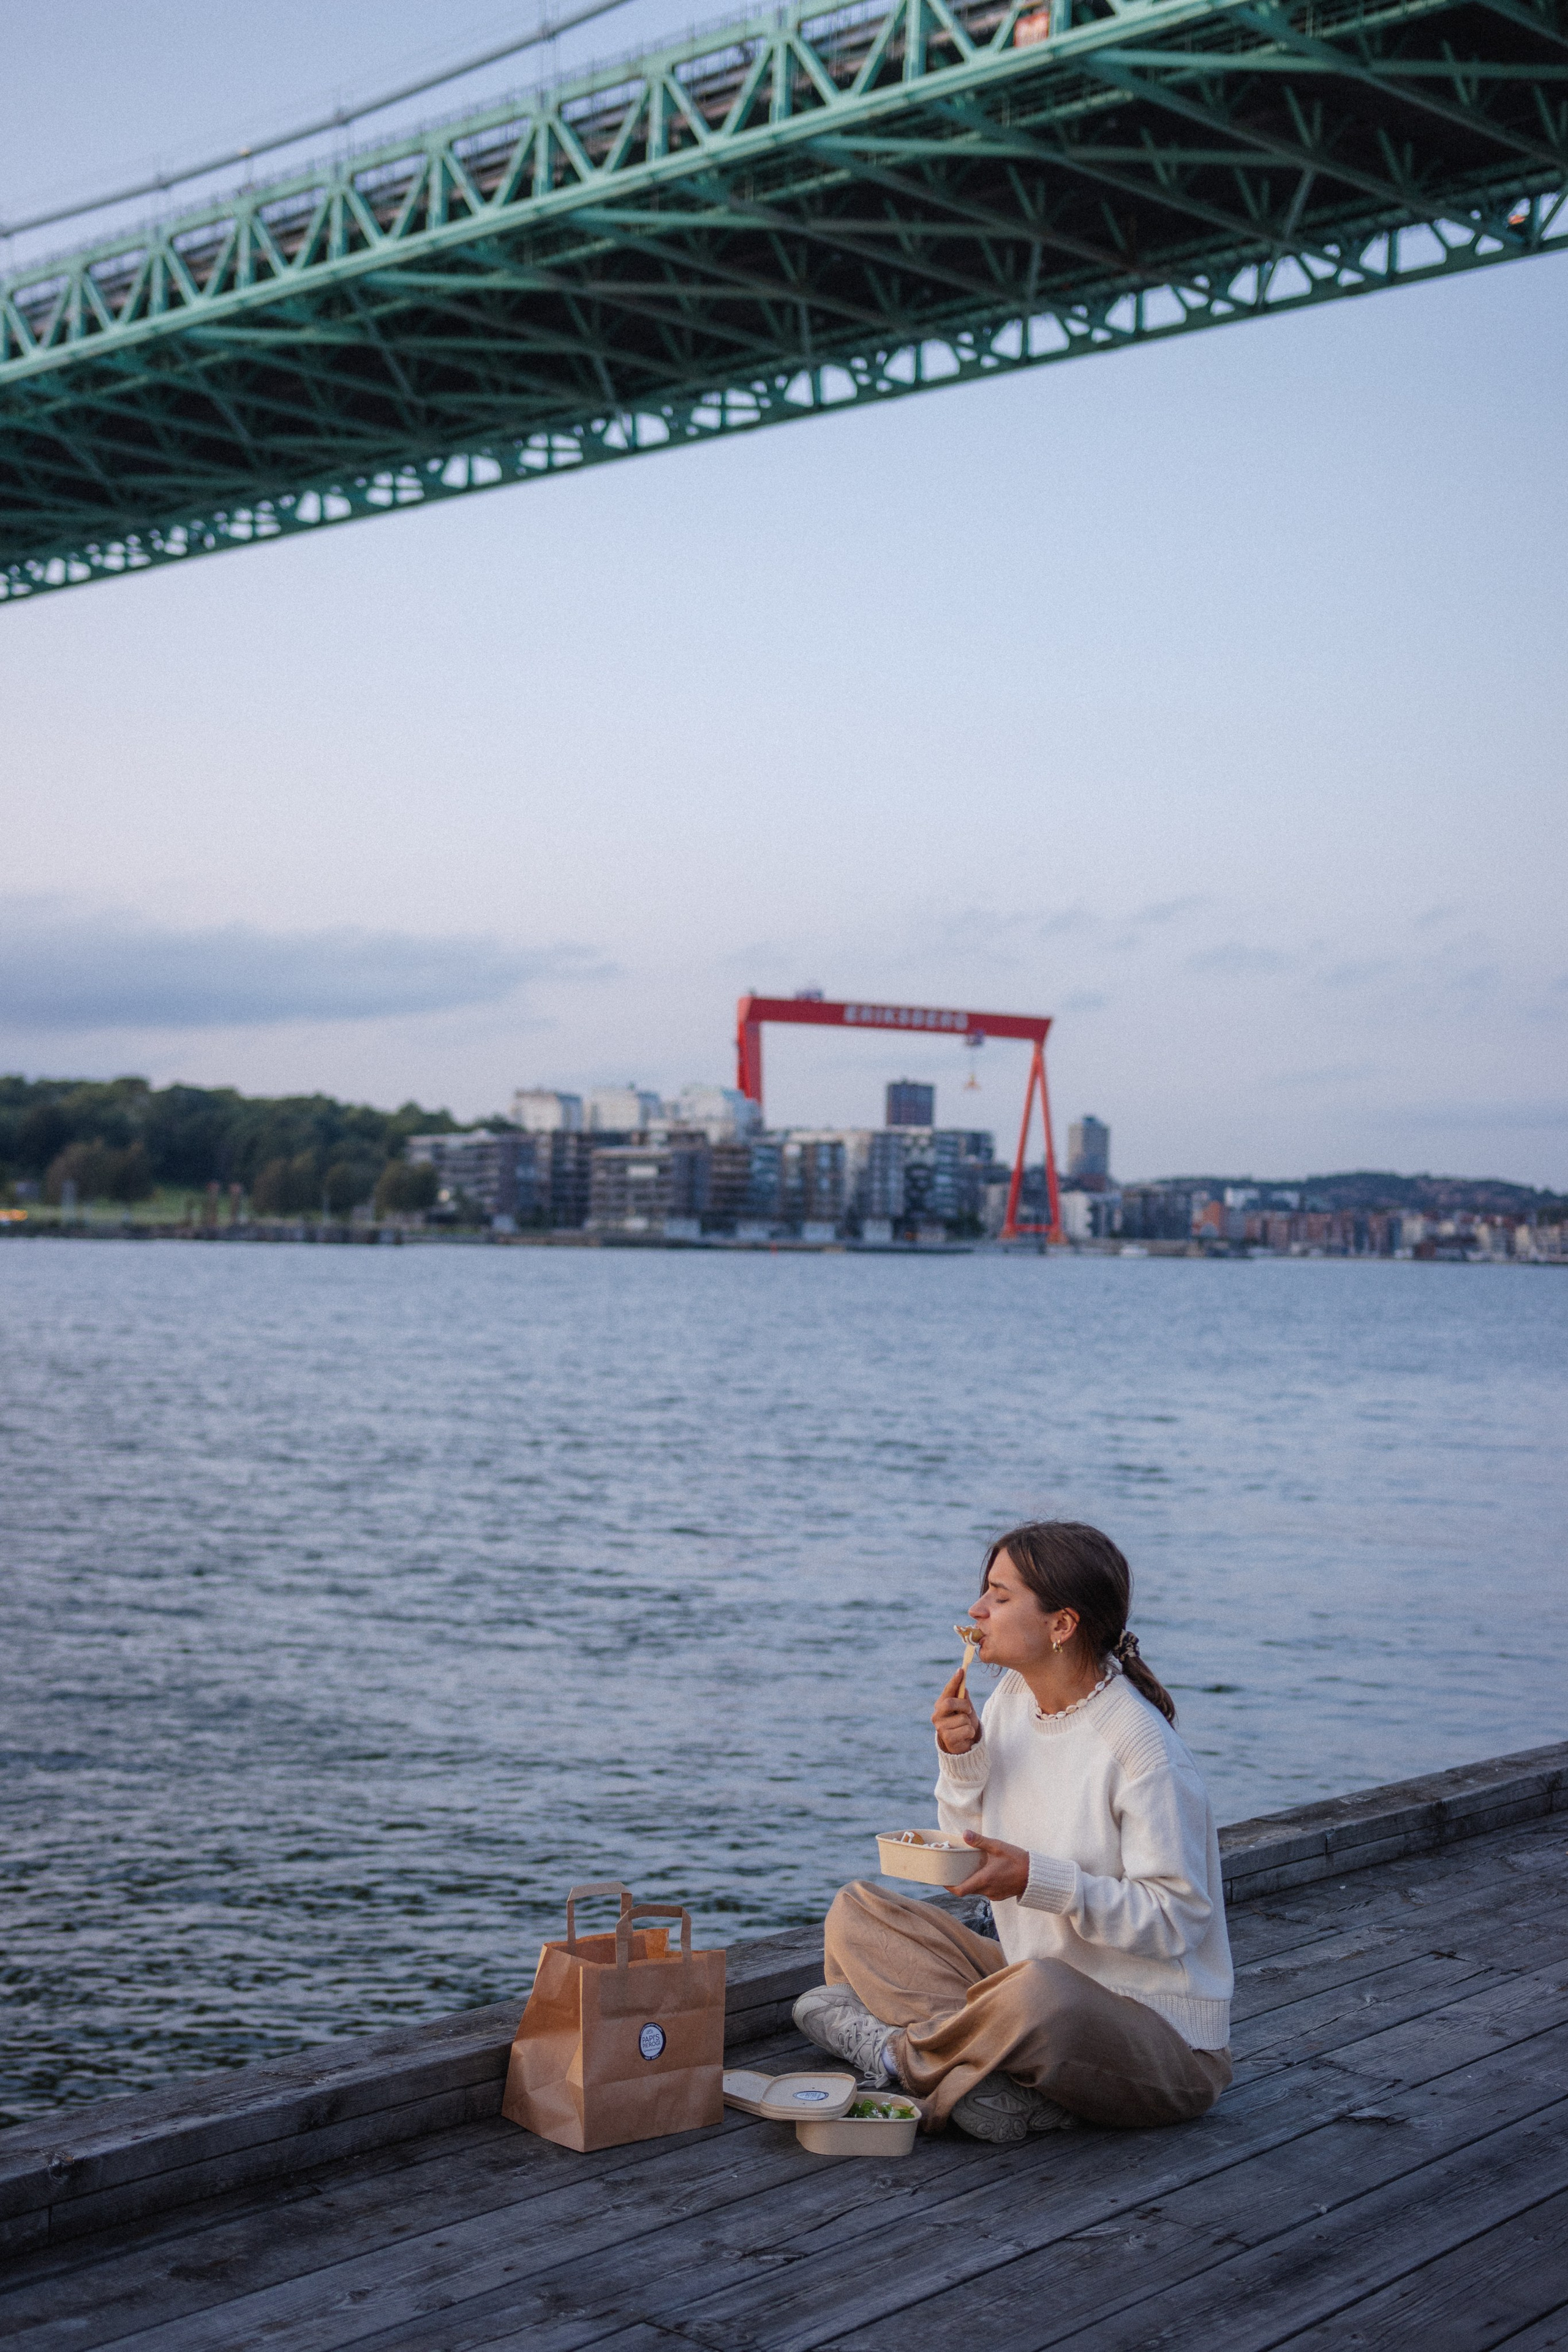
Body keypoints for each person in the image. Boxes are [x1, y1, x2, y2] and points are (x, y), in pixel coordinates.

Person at [793, 1521, 1234, 2143]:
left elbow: (1176, 1921)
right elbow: (968, 1850)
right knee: (856, 1913)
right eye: (984, 1592)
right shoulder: (1008, 1702)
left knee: (1039, 1992)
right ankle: (1005, 2089)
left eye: (1000, 1597)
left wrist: (1040, 1881)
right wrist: (962, 1756)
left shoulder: (1141, 1752)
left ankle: (900, 2058)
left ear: (1062, 1625)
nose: (976, 1610)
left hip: (1162, 2045)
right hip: (1036, 1981)